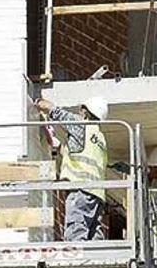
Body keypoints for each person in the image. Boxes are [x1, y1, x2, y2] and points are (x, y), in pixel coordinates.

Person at [35, 96, 109, 241]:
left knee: (76, 231)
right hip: (97, 195)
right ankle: (94, 262)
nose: (79, 113)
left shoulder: (80, 125)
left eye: (81, 110)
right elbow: (78, 152)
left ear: (85, 112)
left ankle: (77, 262)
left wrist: (35, 102)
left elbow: (53, 110)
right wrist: (58, 146)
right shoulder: (100, 138)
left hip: (80, 190)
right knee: (93, 234)